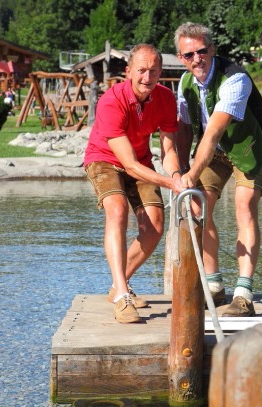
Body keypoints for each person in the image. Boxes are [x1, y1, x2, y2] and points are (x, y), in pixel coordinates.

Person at [173, 22, 262, 317]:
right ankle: (215, 288)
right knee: (196, 206)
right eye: (188, 55)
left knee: (244, 207)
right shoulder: (185, 82)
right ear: (181, 58)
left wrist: (193, 170)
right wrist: (180, 168)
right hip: (213, 151)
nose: (196, 59)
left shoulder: (235, 78)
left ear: (212, 50)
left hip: (247, 147)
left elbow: (214, 131)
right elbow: (184, 129)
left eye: (202, 52)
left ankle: (244, 294)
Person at [83, 44, 185, 324]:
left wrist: (176, 177)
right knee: (117, 210)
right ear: (128, 72)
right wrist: (167, 183)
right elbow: (126, 165)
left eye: (153, 70)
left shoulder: (165, 98)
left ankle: (120, 283)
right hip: (104, 159)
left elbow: (169, 150)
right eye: (141, 70)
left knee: (155, 224)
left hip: (140, 160)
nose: (147, 77)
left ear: (160, 72)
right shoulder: (111, 101)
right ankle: (122, 297)